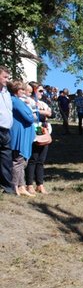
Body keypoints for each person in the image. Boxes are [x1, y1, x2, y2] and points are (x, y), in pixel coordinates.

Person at [8, 81, 35, 196]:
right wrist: (32, 114)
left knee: (22, 161)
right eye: (23, 90)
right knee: (18, 161)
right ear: (17, 90)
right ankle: (15, 186)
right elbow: (29, 117)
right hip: (19, 134)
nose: (25, 92)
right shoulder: (15, 101)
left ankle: (21, 186)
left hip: (24, 133)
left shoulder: (20, 101)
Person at [25, 83, 53, 194]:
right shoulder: (28, 101)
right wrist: (42, 112)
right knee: (33, 159)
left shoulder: (42, 103)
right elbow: (36, 116)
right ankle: (29, 184)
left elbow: (52, 114)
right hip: (33, 131)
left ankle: (40, 184)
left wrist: (43, 112)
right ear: (34, 91)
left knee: (41, 160)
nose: (42, 93)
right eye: (40, 91)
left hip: (42, 131)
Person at [0, 66, 15, 194]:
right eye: (5, 77)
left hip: (6, 130)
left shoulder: (6, 91)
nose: (7, 80)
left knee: (6, 159)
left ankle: (7, 188)